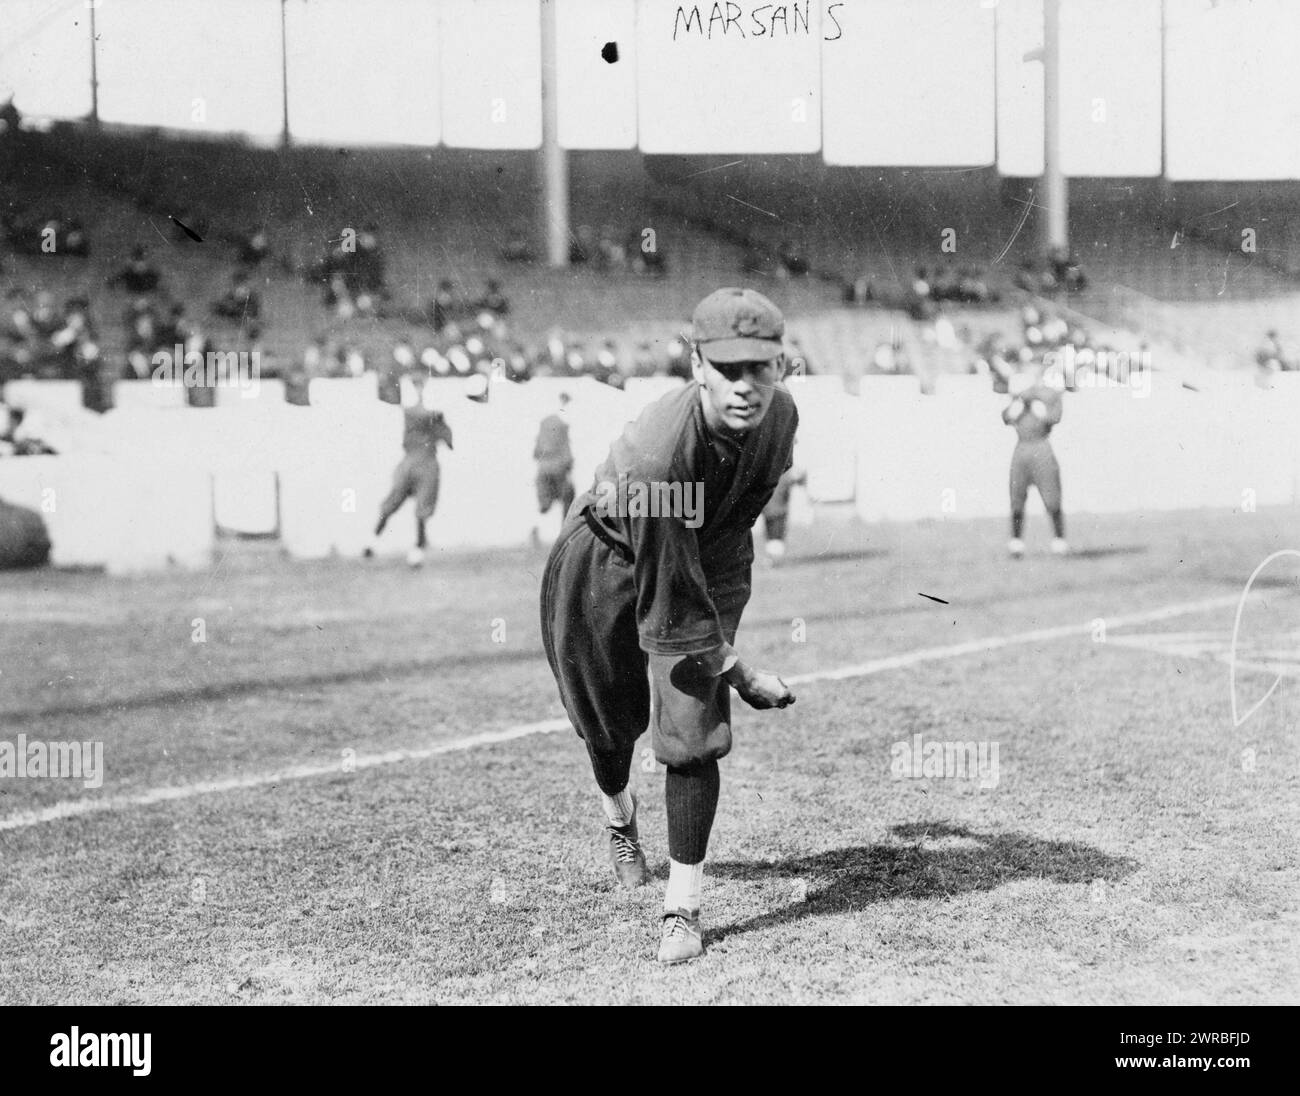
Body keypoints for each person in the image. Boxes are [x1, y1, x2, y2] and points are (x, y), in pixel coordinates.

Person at [539, 287, 798, 965]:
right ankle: (619, 822)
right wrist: (739, 671)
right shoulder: (658, 457)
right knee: (610, 725)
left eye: (760, 369)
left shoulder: (782, 419)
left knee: (690, 727)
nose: (746, 387)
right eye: (728, 370)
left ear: (783, 367)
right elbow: (671, 595)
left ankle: (681, 907)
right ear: (697, 365)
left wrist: (719, 662)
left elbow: (739, 518)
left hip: (708, 553)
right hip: (607, 560)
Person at [372, 382, 454, 567]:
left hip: (427, 462)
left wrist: (441, 424)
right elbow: (416, 414)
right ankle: (372, 541)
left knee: (422, 510)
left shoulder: (436, 416)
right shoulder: (413, 411)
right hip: (411, 461)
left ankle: (417, 550)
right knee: (392, 501)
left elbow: (449, 441)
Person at [1002, 365, 1067, 558]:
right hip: (1022, 447)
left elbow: (1053, 417)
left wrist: (1034, 402)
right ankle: (1016, 543)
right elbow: (1007, 416)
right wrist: (1021, 401)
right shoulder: (1019, 397)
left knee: (1052, 497)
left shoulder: (1049, 395)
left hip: (1041, 446)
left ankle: (1059, 541)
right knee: (1017, 497)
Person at [533, 392, 575, 539]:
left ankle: (541, 520)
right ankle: (566, 531)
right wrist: (569, 464)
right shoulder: (561, 423)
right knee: (568, 497)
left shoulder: (545, 422)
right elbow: (566, 448)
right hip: (557, 466)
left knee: (545, 503)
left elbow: (536, 450)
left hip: (543, 467)